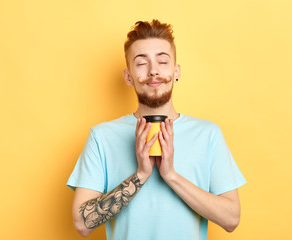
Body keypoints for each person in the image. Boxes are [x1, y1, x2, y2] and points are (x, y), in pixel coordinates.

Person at [67, 19, 246, 240]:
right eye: (141, 63)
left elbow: (231, 219)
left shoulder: (208, 134)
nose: (153, 71)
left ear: (176, 71)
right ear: (128, 76)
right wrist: (141, 175)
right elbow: (82, 224)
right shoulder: (101, 137)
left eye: (162, 61)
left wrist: (170, 175)